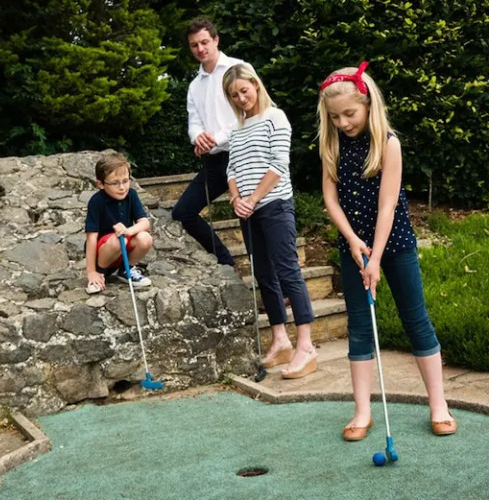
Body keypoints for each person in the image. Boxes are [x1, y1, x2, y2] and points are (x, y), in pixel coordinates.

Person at [317, 62, 456, 439]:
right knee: (360, 326)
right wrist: (351, 240)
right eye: (335, 117)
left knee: (416, 320)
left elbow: (387, 205)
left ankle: (438, 405)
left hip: (394, 244)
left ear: (367, 104)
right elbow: (330, 199)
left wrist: (375, 258)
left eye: (350, 113)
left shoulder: (388, 143)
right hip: (353, 246)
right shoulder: (331, 144)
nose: (343, 122)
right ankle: (362, 412)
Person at [222, 64, 318, 379]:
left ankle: (306, 346)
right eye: (234, 95)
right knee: (264, 274)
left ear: (255, 84)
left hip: (275, 206)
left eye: (244, 90)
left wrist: (252, 198)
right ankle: (280, 340)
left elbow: (279, 164)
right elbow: (231, 169)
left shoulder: (275, 118)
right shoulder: (237, 128)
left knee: (288, 272)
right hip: (248, 211)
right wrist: (236, 199)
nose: (241, 98)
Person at [171, 18, 244, 267]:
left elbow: (249, 115)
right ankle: (226, 261)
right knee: (183, 212)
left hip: (243, 156)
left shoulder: (239, 68)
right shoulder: (194, 85)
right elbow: (194, 122)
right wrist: (198, 137)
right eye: (194, 45)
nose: (200, 49)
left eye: (204, 42)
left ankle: (272, 284)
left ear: (216, 39)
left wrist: (215, 138)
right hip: (214, 161)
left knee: (251, 218)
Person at [85, 152, 154, 295]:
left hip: (123, 248)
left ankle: (126, 270)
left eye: (126, 181)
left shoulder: (131, 195)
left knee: (145, 238)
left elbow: (144, 223)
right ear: (101, 184)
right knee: (117, 240)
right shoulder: (96, 201)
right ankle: (100, 275)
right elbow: (91, 238)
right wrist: (91, 271)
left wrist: (128, 231)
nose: (122, 187)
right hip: (104, 252)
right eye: (115, 183)